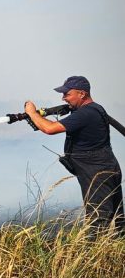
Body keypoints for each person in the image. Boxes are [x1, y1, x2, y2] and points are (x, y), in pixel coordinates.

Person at [24, 75, 124, 233]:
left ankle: (93, 256)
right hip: (103, 166)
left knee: (98, 222)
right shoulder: (94, 109)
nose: (63, 98)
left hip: (97, 172)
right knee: (117, 220)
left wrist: (32, 113)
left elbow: (49, 129)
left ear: (82, 94)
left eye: (67, 94)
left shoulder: (86, 113)